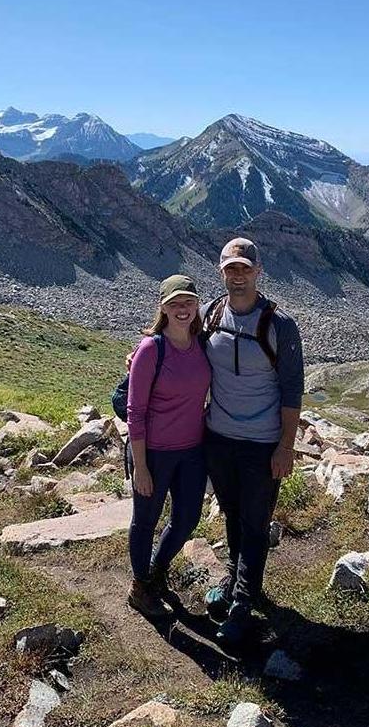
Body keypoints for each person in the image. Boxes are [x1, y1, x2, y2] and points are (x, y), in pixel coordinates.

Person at [201, 237, 304, 645]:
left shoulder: (280, 326)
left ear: (258, 271)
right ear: (221, 271)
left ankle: (243, 603)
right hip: (219, 438)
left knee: (255, 522)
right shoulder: (209, 314)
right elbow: (177, 346)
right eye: (231, 268)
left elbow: (292, 389)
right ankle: (234, 577)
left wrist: (286, 446)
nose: (238, 274)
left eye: (245, 267)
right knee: (231, 513)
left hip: (262, 443)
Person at [126, 274, 212, 619]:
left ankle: (156, 571)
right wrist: (141, 466)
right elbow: (135, 411)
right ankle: (140, 587)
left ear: (197, 305)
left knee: (188, 518)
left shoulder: (201, 342)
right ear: (162, 307)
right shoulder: (151, 349)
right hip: (155, 451)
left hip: (192, 449)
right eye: (175, 303)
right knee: (145, 520)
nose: (183, 309)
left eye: (189, 302)